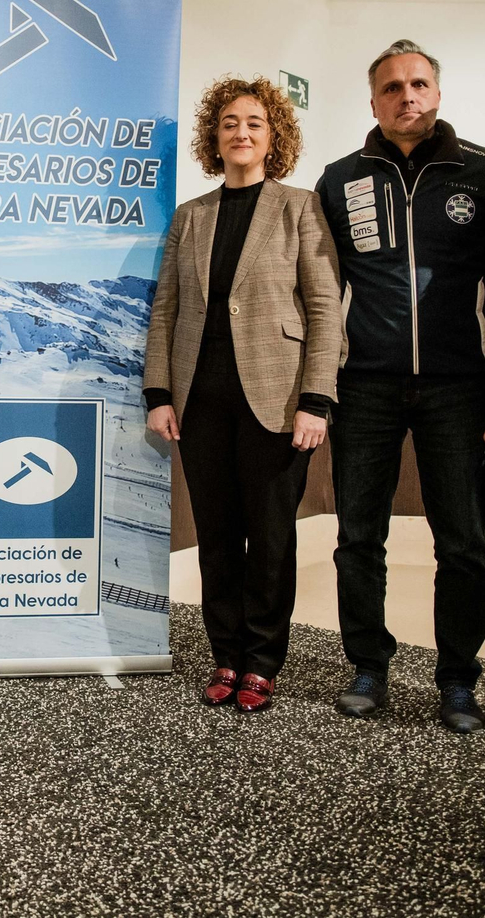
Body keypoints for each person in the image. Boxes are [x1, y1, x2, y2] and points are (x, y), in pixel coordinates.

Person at [313, 40, 485, 733]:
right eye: (392, 87)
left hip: (459, 387)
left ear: (438, 94)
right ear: (373, 102)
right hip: (364, 386)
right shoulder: (339, 180)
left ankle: (457, 679)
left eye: (419, 84)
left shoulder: (483, 174)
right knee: (358, 535)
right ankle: (368, 664)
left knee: (461, 541)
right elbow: (321, 288)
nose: (407, 96)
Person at [144, 76, 343, 713]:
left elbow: (323, 307)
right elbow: (166, 308)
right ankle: (224, 655)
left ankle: (262, 661)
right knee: (218, 536)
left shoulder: (299, 207)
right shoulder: (191, 217)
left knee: (271, 535)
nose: (241, 132)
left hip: (277, 400)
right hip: (200, 401)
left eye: (254, 123)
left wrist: (317, 398)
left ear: (273, 135)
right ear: (215, 136)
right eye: (229, 122)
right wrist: (159, 391)